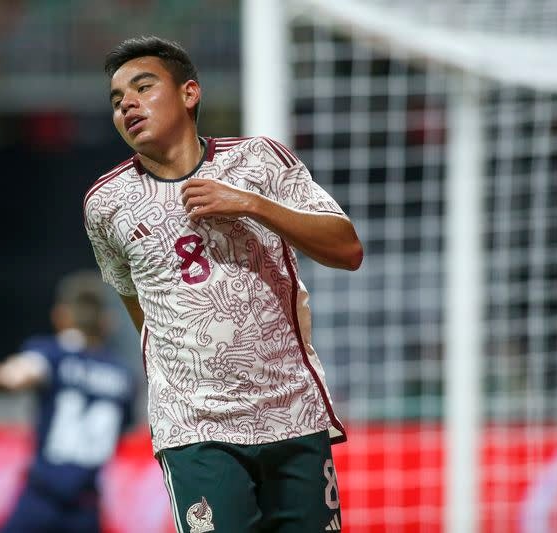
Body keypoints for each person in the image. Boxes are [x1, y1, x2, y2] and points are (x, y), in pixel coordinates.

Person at [83, 36, 363, 533]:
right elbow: (137, 305)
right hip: (196, 430)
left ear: (189, 93)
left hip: (291, 414)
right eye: (116, 99)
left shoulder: (260, 161)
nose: (126, 103)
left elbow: (347, 250)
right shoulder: (107, 205)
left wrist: (251, 204)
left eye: (143, 87)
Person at [0, 270, 136, 533]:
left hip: (42, 499)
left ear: (61, 315)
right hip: (86, 505)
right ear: (108, 321)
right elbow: (125, 427)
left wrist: (1, 377)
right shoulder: (122, 374)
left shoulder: (53, 354)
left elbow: (26, 371)